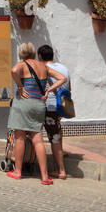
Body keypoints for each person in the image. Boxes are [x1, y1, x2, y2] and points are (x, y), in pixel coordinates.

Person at [6, 42, 67, 184]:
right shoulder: (44, 67)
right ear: (34, 52)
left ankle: (18, 171)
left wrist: (20, 86)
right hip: (39, 104)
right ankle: (45, 176)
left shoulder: (22, 64)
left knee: (20, 136)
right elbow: (62, 78)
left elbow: (14, 70)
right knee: (38, 139)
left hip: (23, 103)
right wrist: (48, 91)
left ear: (22, 52)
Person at [38, 44, 71, 179]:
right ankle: (60, 155)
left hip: (48, 107)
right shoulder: (64, 68)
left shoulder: (43, 69)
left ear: (40, 56)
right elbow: (69, 88)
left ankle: (61, 170)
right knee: (57, 133)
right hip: (60, 106)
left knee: (52, 138)